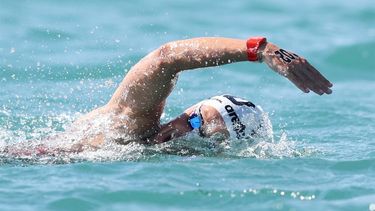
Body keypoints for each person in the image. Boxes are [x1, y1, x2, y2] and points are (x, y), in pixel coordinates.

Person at [4, 36, 333, 156]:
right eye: (193, 118)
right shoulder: (132, 126)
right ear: (187, 109)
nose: (182, 131)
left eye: (203, 135)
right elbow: (166, 57)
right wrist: (260, 50)